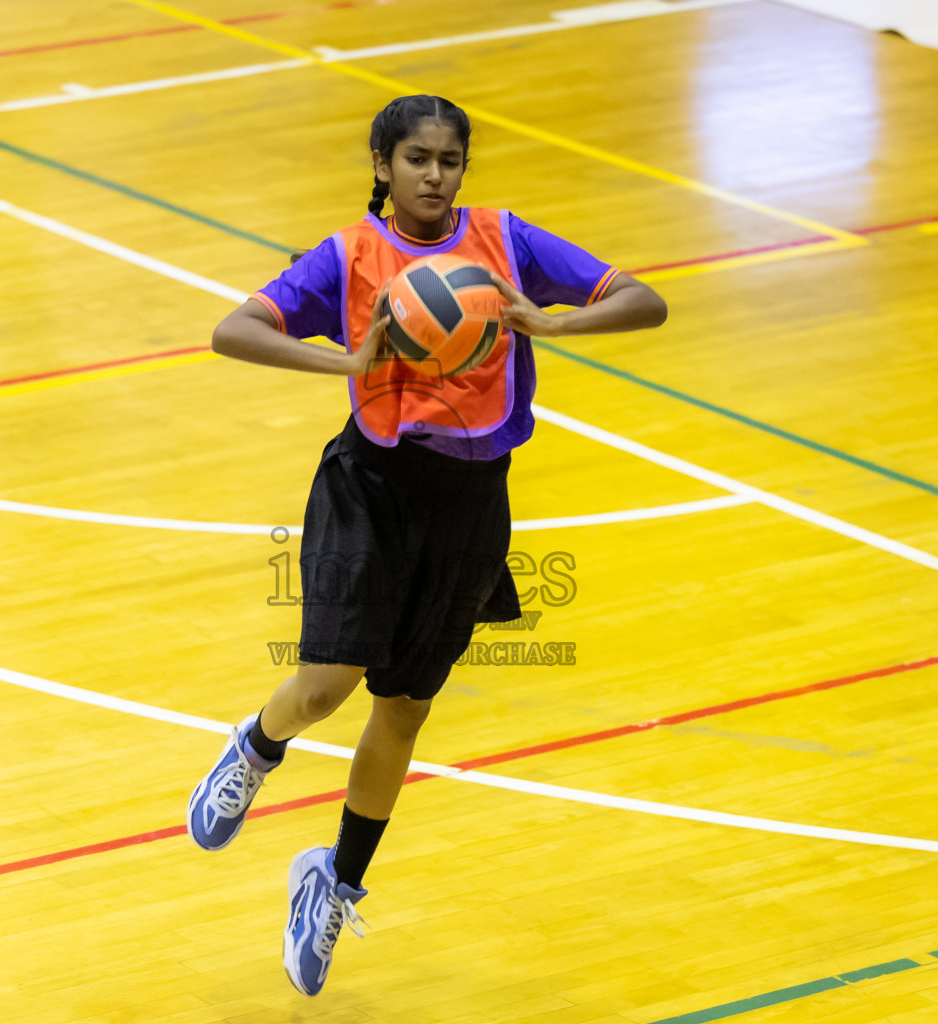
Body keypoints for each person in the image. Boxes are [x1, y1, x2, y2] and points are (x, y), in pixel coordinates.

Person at [187, 94, 667, 996]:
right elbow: (232, 330)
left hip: (473, 502)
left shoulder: (506, 240)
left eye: (450, 160)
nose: (435, 176)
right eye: (416, 159)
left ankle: (333, 880)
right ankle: (256, 746)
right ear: (382, 165)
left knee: (404, 708)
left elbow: (646, 302)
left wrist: (557, 322)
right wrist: (347, 361)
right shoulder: (350, 257)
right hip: (372, 489)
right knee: (329, 685)